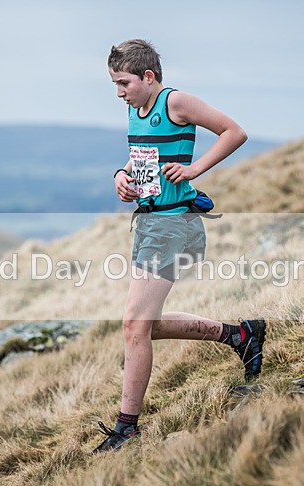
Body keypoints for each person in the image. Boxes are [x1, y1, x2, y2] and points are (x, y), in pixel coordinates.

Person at [93, 39, 266, 454]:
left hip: (174, 225)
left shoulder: (176, 102)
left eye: (123, 83)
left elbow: (234, 132)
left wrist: (194, 169)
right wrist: (121, 176)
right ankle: (240, 335)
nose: (119, 93)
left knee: (134, 326)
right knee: (144, 325)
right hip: (150, 224)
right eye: (115, 85)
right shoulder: (136, 110)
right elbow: (141, 158)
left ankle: (126, 429)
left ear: (148, 76)